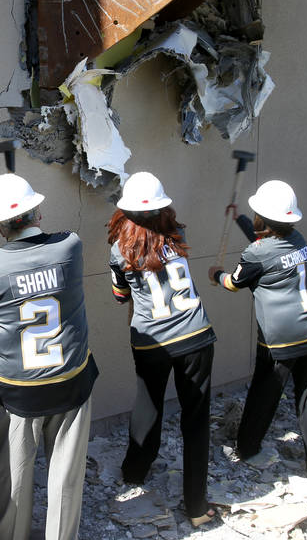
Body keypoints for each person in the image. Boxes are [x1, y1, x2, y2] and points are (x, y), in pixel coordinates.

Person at [0, 173, 98, 540]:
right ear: (37, 212)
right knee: (65, 477)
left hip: (17, 389)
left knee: (14, 474)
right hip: (69, 383)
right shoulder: (70, 247)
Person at [107, 172, 217, 528]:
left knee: (148, 405)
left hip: (151, 341)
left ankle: (135, 472)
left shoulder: (118, 250)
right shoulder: (178, 235)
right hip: (195, 336)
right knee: (196, 420)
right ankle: (197, 507)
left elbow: (120, 295)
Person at [209, 180, 307, 485]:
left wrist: (216, 275)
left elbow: (234, 282)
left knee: (264, 394)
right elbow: (269, 247)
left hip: (281, 338)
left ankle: (248, 447)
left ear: (262, 219)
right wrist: (240, 218)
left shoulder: (255, 254)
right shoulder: (298, 239)